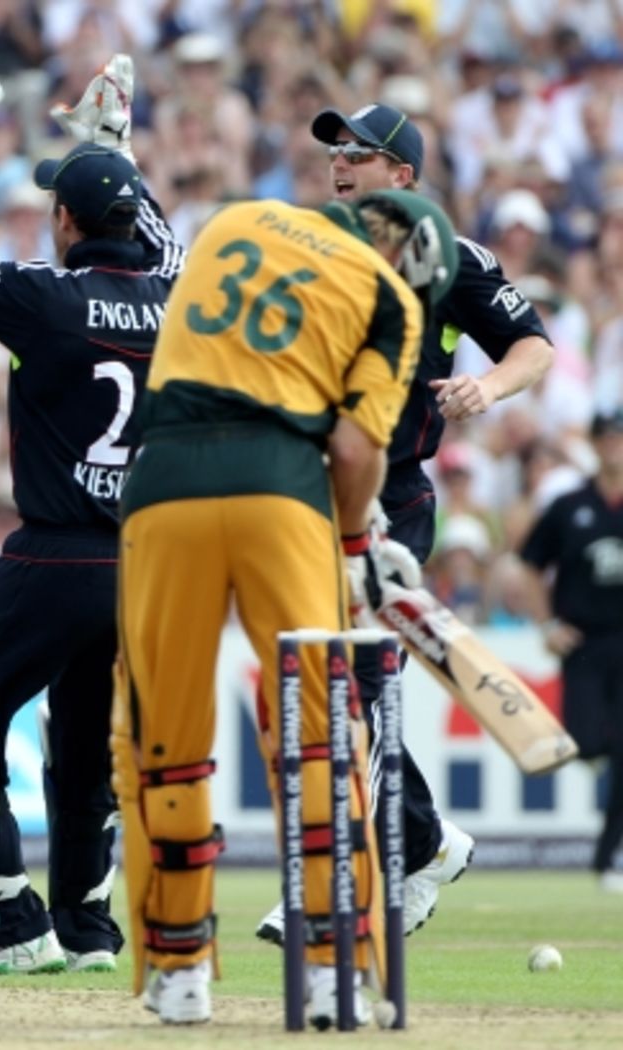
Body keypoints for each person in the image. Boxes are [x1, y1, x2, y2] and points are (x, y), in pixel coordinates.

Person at [115, 189, 458, 1026]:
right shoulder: (389, 300)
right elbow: (352, 446)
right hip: (284, 491)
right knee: (320, 735)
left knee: (165, 738)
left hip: (162, 486)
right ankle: (328, 968)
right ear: (411, 260)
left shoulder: (234, 219)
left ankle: (180, 967)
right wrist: (355, 547)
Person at [0, 50, 184, 976]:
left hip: (55, 557)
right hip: (142, 567)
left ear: (64, 222)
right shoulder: (181, 300)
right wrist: (116, 151)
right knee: (84, 744)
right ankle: (91, 932)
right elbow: (164, 245)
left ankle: (10, 924)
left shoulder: (46, 298)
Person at [253, 102, 556, 947]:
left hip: (392, 495)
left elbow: (533, 345)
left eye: (361, 152)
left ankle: (341, 877)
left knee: (325, 675)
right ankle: (418, 841)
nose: (341, 163)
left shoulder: (446, 257)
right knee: (318, 681)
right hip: (306, 490)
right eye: (335, 151)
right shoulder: (307, 250)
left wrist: (486, 389)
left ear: (404, 175)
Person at [519, 408, 623, 893]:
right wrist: (547, 623)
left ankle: (609, 857)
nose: (613, 446)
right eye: (607, 438)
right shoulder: (570, 504)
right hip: (584, 640)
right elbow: (529, 565)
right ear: (597, 444)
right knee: (584, 741)